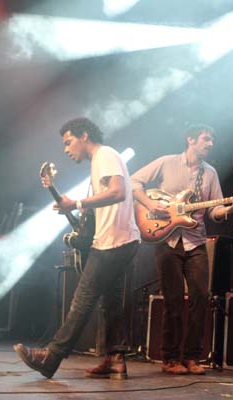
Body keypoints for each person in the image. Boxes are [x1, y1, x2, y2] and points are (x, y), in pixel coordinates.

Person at [14, 117, 140, 379]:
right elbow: (94, 209)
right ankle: (115, 360)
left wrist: (78, 203)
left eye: (68, 142)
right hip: (117, 241)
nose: (66, 149)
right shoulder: (100, 161)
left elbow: (119, 193)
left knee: (82, 301)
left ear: (84, 136)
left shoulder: (104, 154)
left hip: (114, 243)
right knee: (111, 303)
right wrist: (64, 200)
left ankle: (51, 357)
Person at [131, 123, 233, 375]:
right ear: (190, 140)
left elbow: (215, 210)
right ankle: (170, 358)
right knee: (172, 301)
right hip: (167, 240)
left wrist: (231, 208)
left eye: (212, 140)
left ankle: (192, 357)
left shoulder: (211, 173)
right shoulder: (166, 163)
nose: (210, 143)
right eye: (206, 139)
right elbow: (133, 181)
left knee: (200, 299)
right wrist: (151, 203)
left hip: (195, 242)